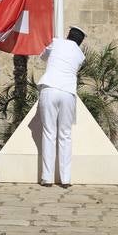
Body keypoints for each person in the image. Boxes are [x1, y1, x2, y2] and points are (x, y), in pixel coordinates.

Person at [37, 26, 86, 188]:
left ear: (68, 35)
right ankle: (65, 179)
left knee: (49, 133)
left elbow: (43, 56)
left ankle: (47, 177)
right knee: (65, 135)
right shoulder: (81, 55)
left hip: (50, 88)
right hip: (68, 92)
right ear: (80, 41)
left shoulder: (56, 43)